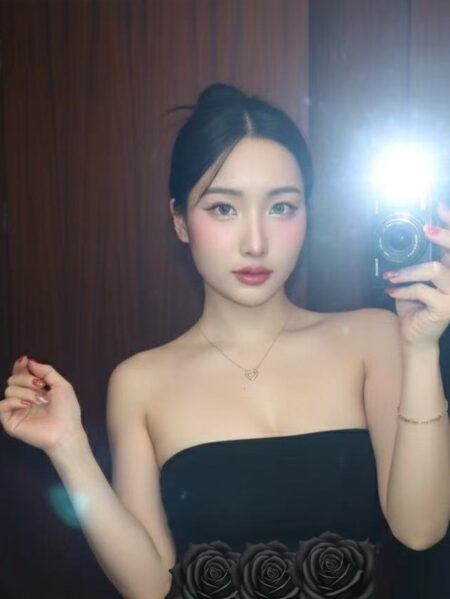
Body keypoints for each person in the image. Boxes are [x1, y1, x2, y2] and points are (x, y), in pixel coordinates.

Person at [1, 83, 444, 599]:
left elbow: (420, 528)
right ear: (180, 220)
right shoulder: (140, 381)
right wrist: (68, 448)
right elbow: (148, 586)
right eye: (224, 209)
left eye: (281, 207)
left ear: (307, 213)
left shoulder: (374, 338)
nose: (256, 242)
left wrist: (422, 349)